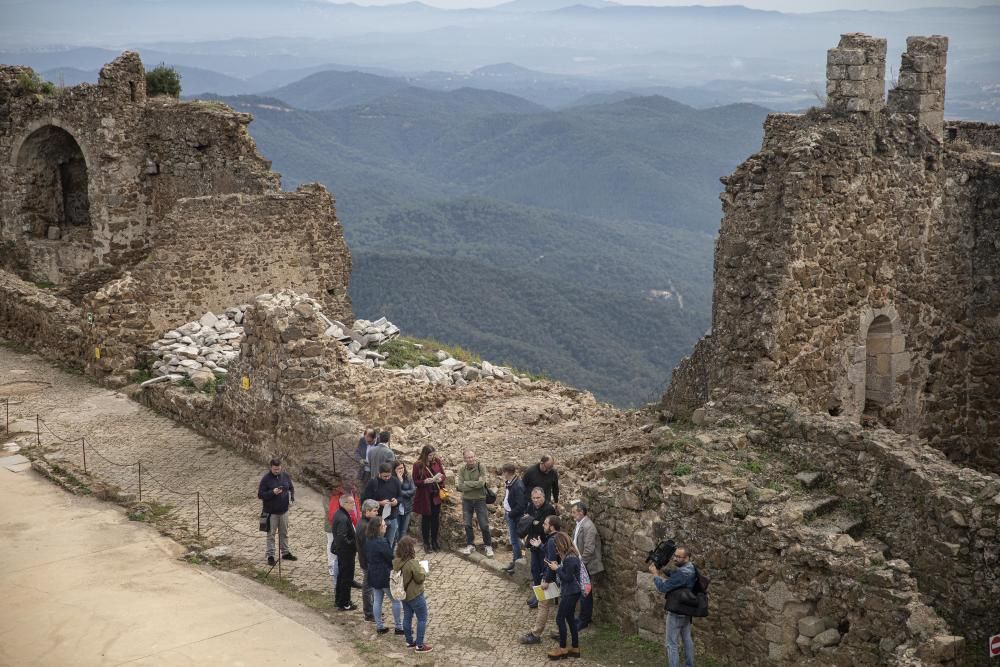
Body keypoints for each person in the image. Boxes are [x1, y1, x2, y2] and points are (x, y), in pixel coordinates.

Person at [649, 547, 697, 667]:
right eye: (674, 556)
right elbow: (675, 574)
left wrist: (655, 574)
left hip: (676, 611)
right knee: (687, 640)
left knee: (671, 644)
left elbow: (663, 587)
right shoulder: (691, 568)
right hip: (686, 610)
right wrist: (663, 569)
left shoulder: (682, 573)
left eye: (678, 557)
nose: (675, 558)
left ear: (686, 558)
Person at [520, 513, 560, 645]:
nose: (543, 525)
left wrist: (546, 580)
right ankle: (559, 631)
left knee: (543, 604)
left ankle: (536, 634)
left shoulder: (551, 541)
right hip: (560, 578)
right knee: (562, 607)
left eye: (546, 524)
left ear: (552, 527)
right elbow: (552, 553)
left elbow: (551, 561)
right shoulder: (558, 537)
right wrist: (541, 546)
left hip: (551, 578)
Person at [393, 536, 433, 653]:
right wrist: (424, 570)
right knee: (422, 618)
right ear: (409, 548)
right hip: (415, 595)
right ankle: (419, 646)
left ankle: (409, 642)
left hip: (404, 596)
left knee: (407, 617)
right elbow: (420, 578)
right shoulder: (412, 563)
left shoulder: (397, 561)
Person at [546, 532, 582, 659]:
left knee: (559, 619)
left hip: (570, 593)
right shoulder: (569, 556)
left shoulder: (570, 558)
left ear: (562, 544)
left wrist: (557, 569)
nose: (555, 548)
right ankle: (575, 647)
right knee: (570, 618)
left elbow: (567, 577)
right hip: (572, 592)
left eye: (556, 545)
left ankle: (562, 649)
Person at [365, 516, 404, 635]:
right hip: (384, 575)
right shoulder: (382, 542)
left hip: (373, 574)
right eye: (383, 525)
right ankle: (398, 627)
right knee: (396, 600)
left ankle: (379, 626)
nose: (386, 526)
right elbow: (390, 558)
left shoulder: (368, 541)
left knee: (377, 600)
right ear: (378, 528)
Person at [257, 457, 296, 566]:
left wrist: (291, 498)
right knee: (271, 535)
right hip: (271, 513)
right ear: (271, 468)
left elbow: (291, 488)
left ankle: (285, 552)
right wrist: (272, 492)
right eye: (275, 469)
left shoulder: (285, 476)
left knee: (284, 533)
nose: (277, 471)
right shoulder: (266, 479)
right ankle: (270, 556)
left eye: (278, 469)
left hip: (284, 511)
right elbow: (260, 495)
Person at [571, 501, 603, 631]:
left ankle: (584, 620)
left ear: (581, 512)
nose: (572, 515)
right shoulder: (580, 524)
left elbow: (589, 550)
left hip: (586, 566)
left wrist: (581, 565)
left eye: (574, 512)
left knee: (585, 594)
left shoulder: (589, 527)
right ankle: (582, 617)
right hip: (581, 563)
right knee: (583, 592)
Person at [457, 449, 494, 557]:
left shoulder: (480, 467)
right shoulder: (462, 470)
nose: (471, 459)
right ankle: (470, 545)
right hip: (466, 500)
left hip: (480, 499)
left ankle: (488, 546)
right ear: (464, 459)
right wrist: (474, 484)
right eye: (468, 457)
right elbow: (459, 486)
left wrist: (467, 484)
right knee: (467, 524)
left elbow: (482, 483)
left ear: (475, 457)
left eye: (472, 457)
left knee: (484, 524)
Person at [324, 486, 362, 594]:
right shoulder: (337, 494)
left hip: (350, 524)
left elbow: (356, 508)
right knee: (337, 557)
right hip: (338, 528)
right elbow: (333, 514)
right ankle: (337, 580)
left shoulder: (353, 491)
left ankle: (348, 579)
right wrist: (351, 543)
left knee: (348, 562)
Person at [523, 487, 555, 609]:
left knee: (544, 572)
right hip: (533, 544)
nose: (536, 500)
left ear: (543, 497)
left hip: (545, 546)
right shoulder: (530, 507)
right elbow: (528, 523)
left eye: (538, 498)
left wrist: (535, 524)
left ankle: (542, 598)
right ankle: (537, 595)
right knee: (535, 571)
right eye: (534, 498)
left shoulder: (549, 509)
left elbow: (549, 528)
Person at [412, 445, 446, 553]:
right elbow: (415, 481)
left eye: (433, 454)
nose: (432, 457)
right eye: (430, 455)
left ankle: (434, 541)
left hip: (435, 494)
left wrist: (440, 478)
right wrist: (425, 481)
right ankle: (426, 543)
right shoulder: (417, 465)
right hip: (425, 496)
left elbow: (443, 475)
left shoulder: (437, 461)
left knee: (435, 519)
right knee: (426, 520)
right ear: (425, 455)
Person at [363, 462, 402, 547]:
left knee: (390, 542)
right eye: (385, 476)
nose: (387, 478)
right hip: (379, 518)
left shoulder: (395, 481)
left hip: (393, 517)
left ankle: (388, 556)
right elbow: (366, 500)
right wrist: (380, 503)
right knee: (378, 542)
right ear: (379, 473)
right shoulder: (373, 482)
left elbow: (400, 496)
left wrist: (396, 501)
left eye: (389, 476)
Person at [331, 493, 358, 610]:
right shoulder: (342, 517)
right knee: (346, 578)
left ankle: (339, 600)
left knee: (342, 577)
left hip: (344, 552)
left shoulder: (341, 513)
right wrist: (354, 544)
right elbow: (342, 537)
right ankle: (344, 603)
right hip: (346, 552)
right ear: (345, 503)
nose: (354, 505)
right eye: (351, 503)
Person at [501, 462, 528, 573]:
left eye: (503, 472)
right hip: (510, 513)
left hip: (514, 516)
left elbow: (521, 505)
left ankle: (517, 563)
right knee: (514, 540)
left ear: (507, 472)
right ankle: (515, 561)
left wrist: (510, 514)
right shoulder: (511, 483)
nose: (502, 474)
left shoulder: (517, 486)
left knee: (515, 540)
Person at [356, 499, 380, 621]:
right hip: (368, 562)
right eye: (375, 511)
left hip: (368, 561)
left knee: (372, 587)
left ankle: (374, 610)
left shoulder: (367, 524)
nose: (377, 513)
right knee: (368, 588)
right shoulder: (365, 527)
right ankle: (369, 613)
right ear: (367, 511)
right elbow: (368, 548)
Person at [394, 460, 416, 548]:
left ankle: (402, 549)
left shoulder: (409, 477)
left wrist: (402, 493)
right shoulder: (392, 479)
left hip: (407, 507)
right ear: (394, 469)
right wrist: (400, 480)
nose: (401, 470)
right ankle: (399, 547)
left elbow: (413, 490)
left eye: (402, 467)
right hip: (396, 509)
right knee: (397, 530)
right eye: (399, 468)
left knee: (403, 530)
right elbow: (394, 492)